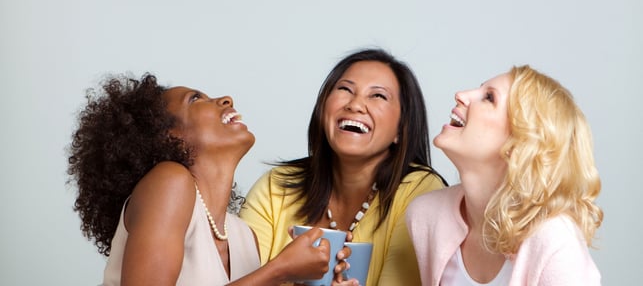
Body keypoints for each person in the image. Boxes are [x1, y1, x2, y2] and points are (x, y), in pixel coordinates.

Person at [67, 73, 354, 285]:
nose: (226, 99)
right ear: (167, 136)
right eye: (195, 99)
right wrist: (280, 269)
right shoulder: (168, 182)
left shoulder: (244, 237)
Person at [239, 48, 448, 286]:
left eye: (378, 96)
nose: (356, 104)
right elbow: (239, 278)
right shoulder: (276, 185)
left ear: (401, 129)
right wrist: (283, 270)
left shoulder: (420, 191)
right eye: (345, 89)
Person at [406, 65, 603, 285]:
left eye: (489, 98)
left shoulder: (554, 240)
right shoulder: (425, 216)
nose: (461, 95)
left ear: (519, 142)